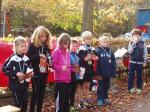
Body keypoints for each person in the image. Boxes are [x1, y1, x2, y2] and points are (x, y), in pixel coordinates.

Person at [3, 36, 33, 112]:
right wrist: (16, 73)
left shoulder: (27, 59)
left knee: (25, 103)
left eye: (25, 46)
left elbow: (30, 69)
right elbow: (5, 69)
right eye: (21, 46)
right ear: (16, 47)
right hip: (15, 85)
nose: (24, 48)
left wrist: (30, 74)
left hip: (24, 85)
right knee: (18, 103)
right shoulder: (12, 58)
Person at [27, 26, 51, 112]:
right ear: (37, 36)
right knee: (35, 93)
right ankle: (32, 110)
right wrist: (39, 56)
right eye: (41, 36)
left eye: (45, 36)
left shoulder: (46, 47)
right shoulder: (33, 45)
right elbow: (28, 57)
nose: (43, 38)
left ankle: (39, 110)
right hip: (36, 73)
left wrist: (50, 61)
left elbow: (49, 57)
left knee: (41, 94)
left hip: (44, 73)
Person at [52, 33, 71, 112]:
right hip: (59, 80)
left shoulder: (67, 53)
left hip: (67, 79)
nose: (65, 46)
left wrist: (73, 69)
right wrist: (60, 68)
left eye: (67, 44)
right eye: (64, 44)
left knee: (66, 99)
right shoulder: (56, 52)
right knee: (60, 100)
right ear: (60, 42)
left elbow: (68, 65)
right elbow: (52, 65)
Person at [96, 35, 116, 106]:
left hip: (108, 72)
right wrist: (97, 73)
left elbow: (113, 61)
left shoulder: (110, 51)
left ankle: (105, 97)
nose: (105, 43)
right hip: (101, 73)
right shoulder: (97, 51)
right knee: (100, 86)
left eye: (106, 42)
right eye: (103, 42)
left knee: (106, 86)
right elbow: (96, 63)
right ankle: (99, 99)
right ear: (100, 42)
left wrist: (113, 71)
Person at [77, 31, 95, 107]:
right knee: (81, 86)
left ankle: (87, 99)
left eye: (90, 39)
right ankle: (80, 101)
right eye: (86, 39)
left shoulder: (92, 49)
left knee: (87, 85)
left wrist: (95, 57)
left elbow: (95, 58)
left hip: (89, 70)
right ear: (83, 40)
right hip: (82, 70)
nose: (88, 41)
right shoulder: (81, 49)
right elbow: (78, 59)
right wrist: (84, 59)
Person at [128, 28, 148, 94]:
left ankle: (139, 88)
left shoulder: (143, 43)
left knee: (139, 75)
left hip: (140, 62)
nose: (136, 37)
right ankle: (130, 88)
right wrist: (134, 44)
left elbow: (145, 52)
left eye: (138, 35)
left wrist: (145, 61)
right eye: (135, 35)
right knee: (131, 75)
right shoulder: (131, 42)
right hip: (132, 62)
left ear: (140, 36)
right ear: (132, 36)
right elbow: (130, 52)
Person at [69, 39, 80, 111]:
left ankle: (72, 106)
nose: (75, 48)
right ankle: (68, 106)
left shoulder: (77, 55)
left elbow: (78, 66)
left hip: (75, 76)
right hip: (69, 77)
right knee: (69, 92)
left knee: (73, 92)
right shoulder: (68, 55)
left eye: (76, 46)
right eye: (73, 46)